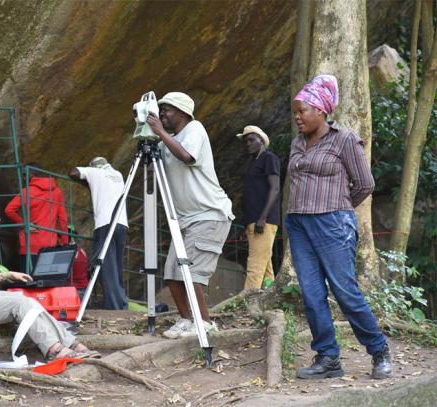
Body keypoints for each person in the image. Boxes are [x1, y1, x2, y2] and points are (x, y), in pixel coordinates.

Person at [288, 75, 392, 379]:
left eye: (302, 110)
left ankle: (379, 350)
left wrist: (339, 206)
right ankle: (328, 358)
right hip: (298, 223)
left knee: (345, 292)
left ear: (321, 110)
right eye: (295, 111)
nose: (297, 117)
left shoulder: (344, 138)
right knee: (311, 294)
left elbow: (365, 184)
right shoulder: (297, 142)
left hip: (333, 223)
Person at [0, 195, 97, 360]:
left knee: (26, 299)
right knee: (18, 301)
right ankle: (54, 350)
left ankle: (70, 342)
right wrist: (1, 295)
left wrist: (9, 275)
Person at [146, 92, 234, 339]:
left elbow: (187, 156)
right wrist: (150, 137)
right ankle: (187, 320)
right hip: (184, 221)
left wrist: (160, 132)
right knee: (173, 274)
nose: (162, 115)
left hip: (209, 214)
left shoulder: (195, 129)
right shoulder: (166, 143)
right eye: (160, 111)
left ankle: (204, 323)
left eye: (167, 110)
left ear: (183, 112)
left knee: (191, 273)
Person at [69, 157, 128, 310]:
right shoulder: (118, 175)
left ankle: (114, 306)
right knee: (116, 264)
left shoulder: (94, 172)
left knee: (104, 264)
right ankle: (121, 302)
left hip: (105, 223)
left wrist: (88, 182)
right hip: (122, 224)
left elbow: (73, 172)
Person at [237, 125, 280, 290]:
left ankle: (246, 302)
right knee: (265, 263)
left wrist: (262, 218)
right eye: (245, 141)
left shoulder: (269, 158)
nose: (247, 144)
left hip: (264, 220)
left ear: (262, 141)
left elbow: (275, 188)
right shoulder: (253, 163)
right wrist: (246, 225)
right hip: (253, 220)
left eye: (251, 140)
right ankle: (270, 298)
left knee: (255, 264)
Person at [4, 163, 69, 273]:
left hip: (30, 245)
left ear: (31, 175)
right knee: (47, 282)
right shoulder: (56, 192)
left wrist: (24, 224)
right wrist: (65, 243)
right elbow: (63, 219)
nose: (23, 178)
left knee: (29, 283)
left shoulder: (27, 191)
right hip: (50, 245)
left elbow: (9, 210)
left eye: (24, 175)